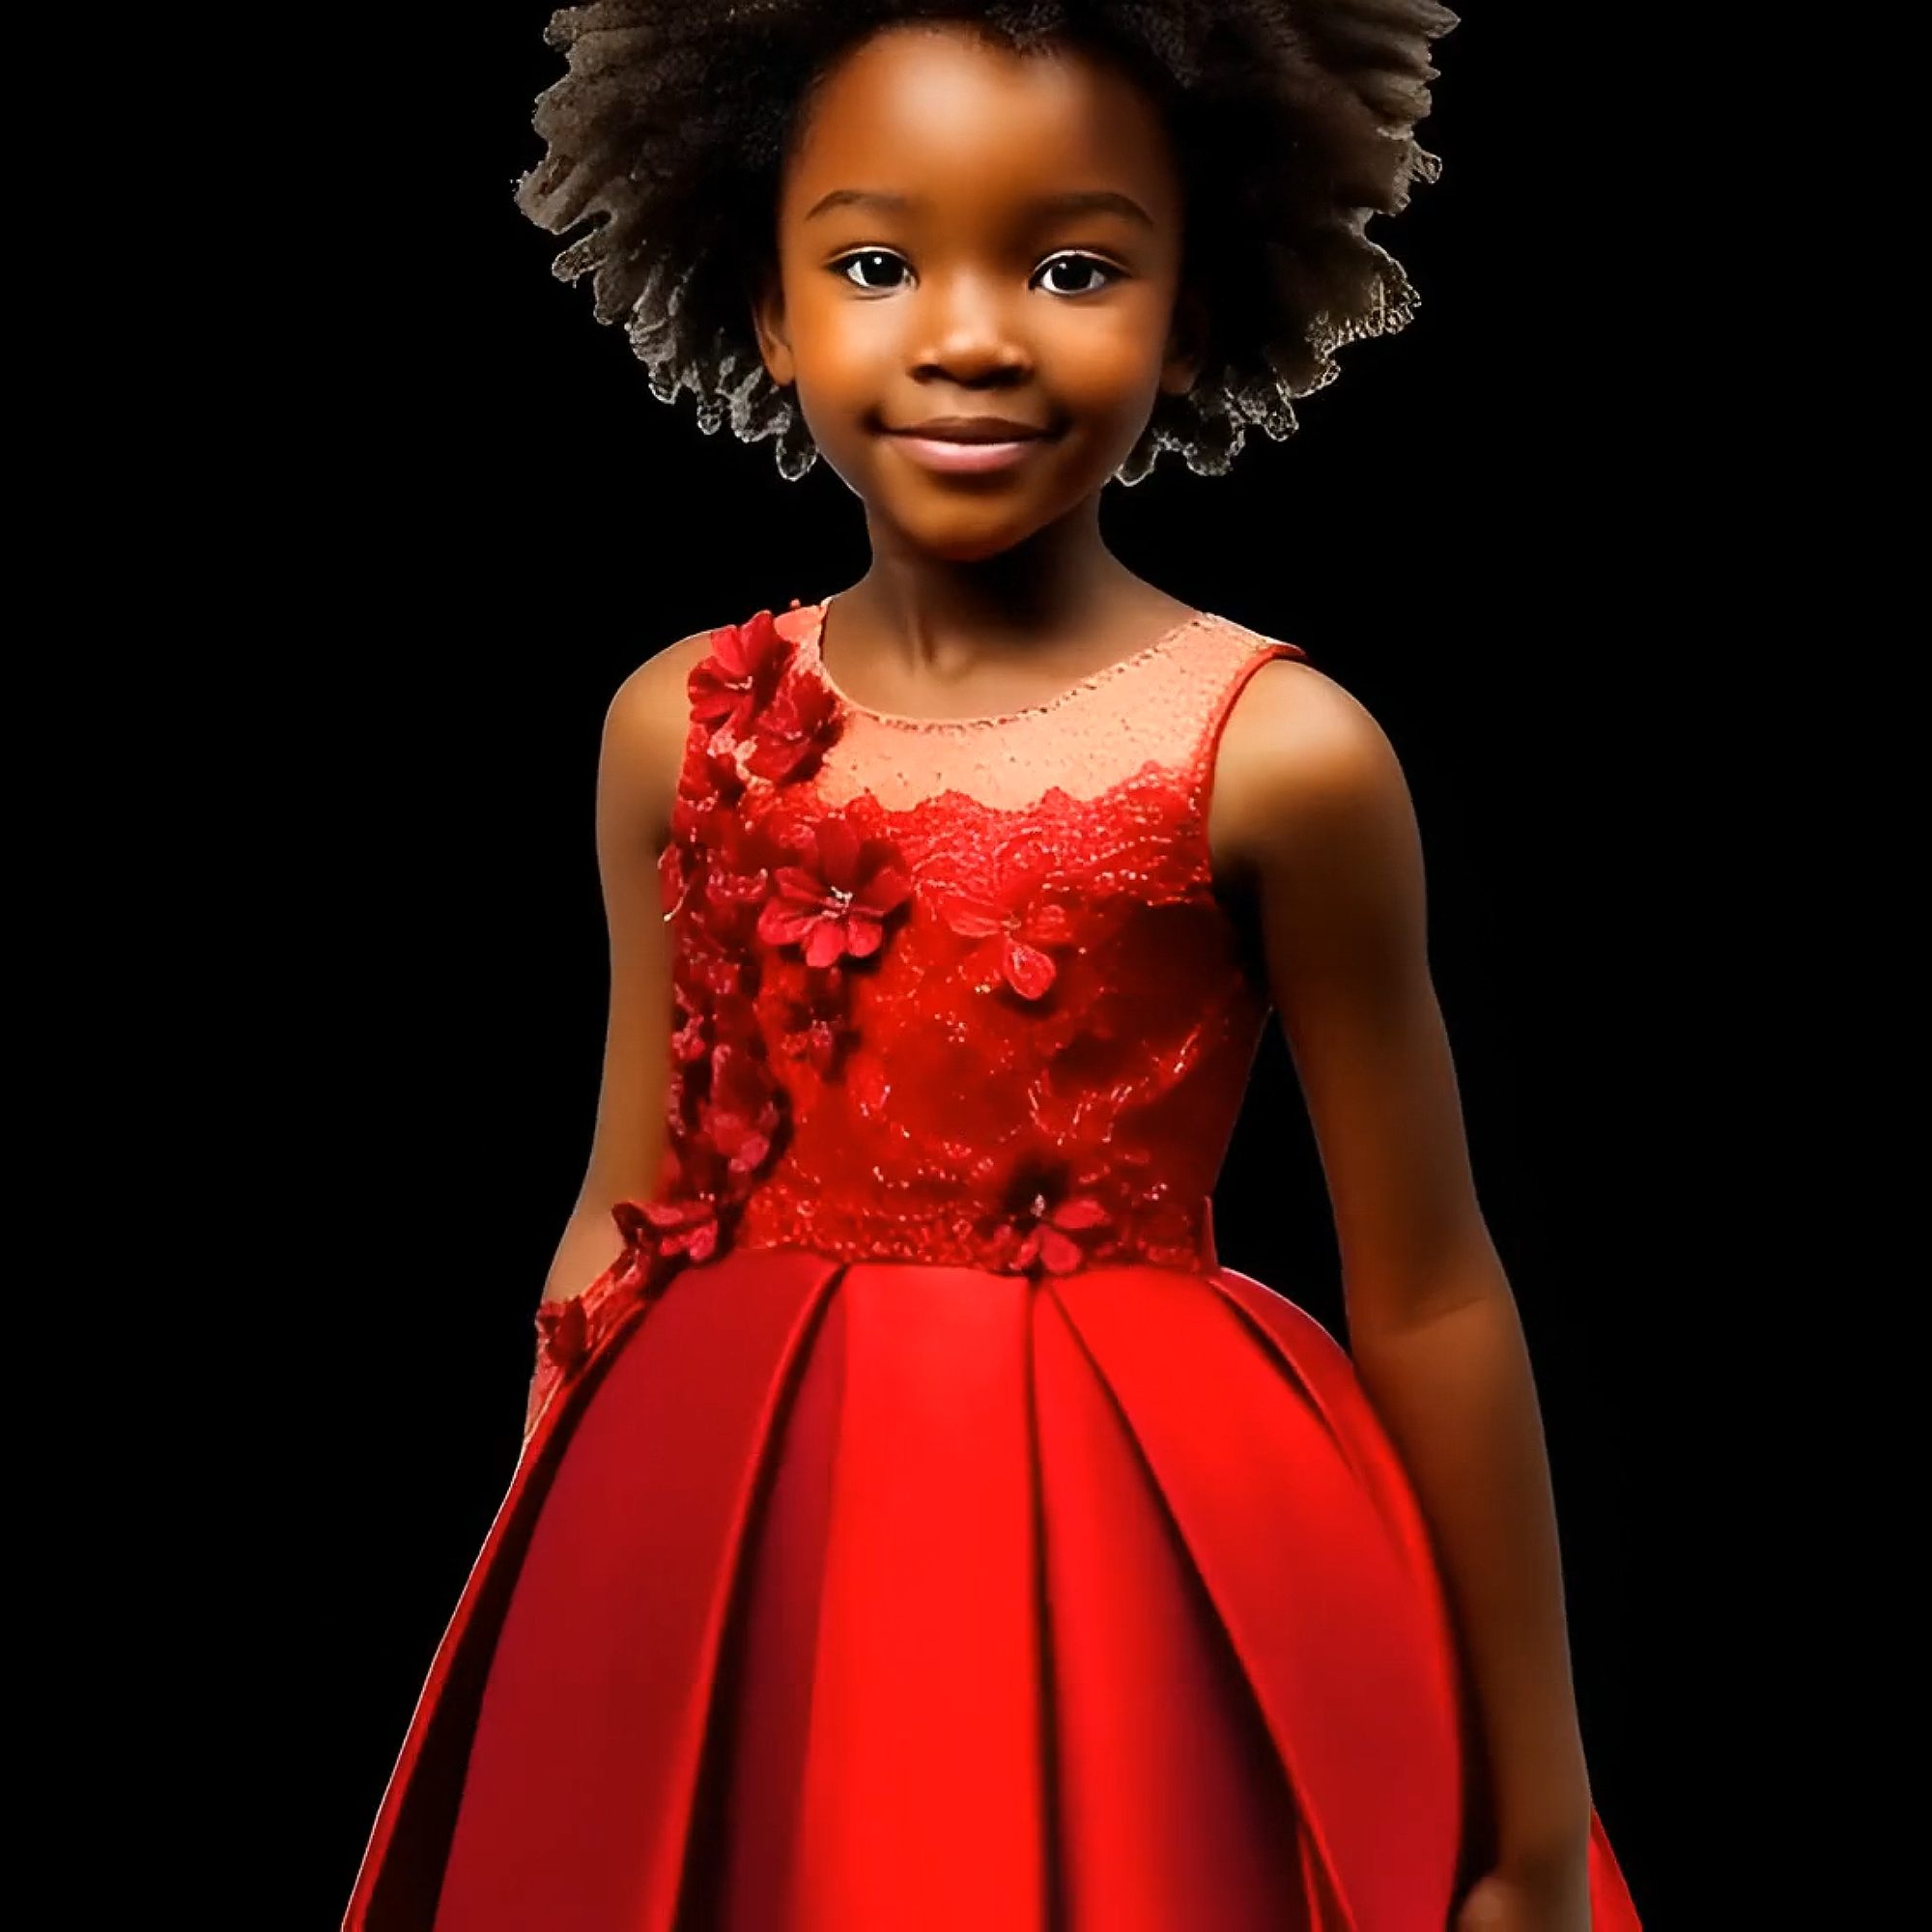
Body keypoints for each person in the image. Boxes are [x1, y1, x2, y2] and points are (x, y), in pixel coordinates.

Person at [348, 5, 1642, 1928]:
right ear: (766, 305)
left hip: (1127, 1538)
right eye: (874, 263)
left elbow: (1432, 1288)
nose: (968, 332)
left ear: (1195, 308)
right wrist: (544, 1605)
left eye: (1071, 265)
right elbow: (623, 1208)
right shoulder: (672, 728)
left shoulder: (1281, 754)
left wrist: (1536, 1829)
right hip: (709, 1522)